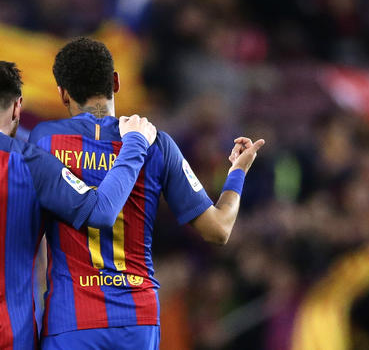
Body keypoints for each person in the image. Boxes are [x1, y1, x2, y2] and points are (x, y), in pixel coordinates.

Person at [0, 59, 158, 349]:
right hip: (6, 341)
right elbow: (101, 211)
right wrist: (135, 143)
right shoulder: (30, 162)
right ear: (17, 108)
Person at [29, 37, 265, 349]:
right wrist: (237, 173)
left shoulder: (44, 141)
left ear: (62, 93)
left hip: (71, 320)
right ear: (115, 82)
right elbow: (219, 229)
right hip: (137, 321)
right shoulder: (157, 143)